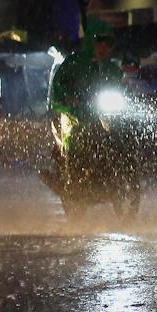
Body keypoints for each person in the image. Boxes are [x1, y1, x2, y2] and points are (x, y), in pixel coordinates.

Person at [43, 19, 124, 190]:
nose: (104, 48)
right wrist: (68, 99)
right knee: (74, 137)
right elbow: (58, 85)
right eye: (100, 43)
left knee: (123, 134)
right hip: (73, 113)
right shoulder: (74, 63)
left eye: (107, 44)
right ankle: (71, 176)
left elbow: (119, 88)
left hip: (101, 113)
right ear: (91, 42)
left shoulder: (113, 69)